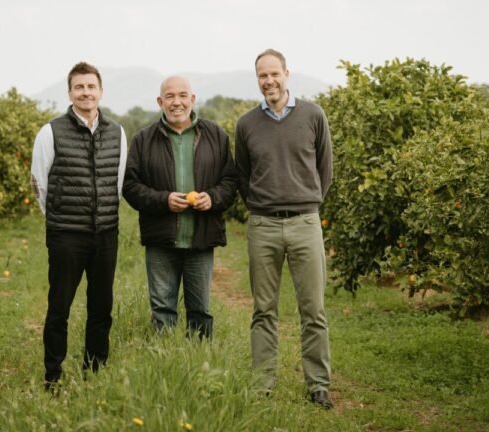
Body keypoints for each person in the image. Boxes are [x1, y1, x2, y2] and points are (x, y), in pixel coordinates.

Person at [234, 49, 334, 409]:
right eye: (262, 75)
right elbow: (243, 176)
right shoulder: (246, 124)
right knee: (264, 309)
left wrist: (307, 202)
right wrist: (261, 206)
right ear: (257, 79)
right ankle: (263, 382)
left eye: (274, 74)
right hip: (262, 225)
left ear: (287, 74)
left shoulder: (313, 116)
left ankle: (318, 385)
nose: (269, 81)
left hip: (306, 223)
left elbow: (326, 169)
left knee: (313, 309)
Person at [30, 61, 127, 390]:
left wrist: (102, 217)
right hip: (66, 236)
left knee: (101, 308)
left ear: (100, 91)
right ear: (70, 92)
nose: (86, 92)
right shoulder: (51, 131)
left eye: (91, 86)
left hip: (105, 235)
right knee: (60, 308)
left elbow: (117, 183)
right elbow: (39, 184)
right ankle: (53, 376)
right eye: (79, 87)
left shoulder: (117, 132)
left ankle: (94, 372)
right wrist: (59, 219)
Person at [123, 76, 237, 339]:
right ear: (160, 101)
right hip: (161, 239)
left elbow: (230, 182)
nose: (177, 102)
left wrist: (212, 198)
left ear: (192, 99)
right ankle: (165, 365)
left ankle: (199, 367)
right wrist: (163, 201)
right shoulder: (143, 140)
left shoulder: (216, 136)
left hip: (201, 237)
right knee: (162, 310)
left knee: (200, 311)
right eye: (170, 97)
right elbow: (130, 186)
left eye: (183, 95)